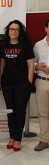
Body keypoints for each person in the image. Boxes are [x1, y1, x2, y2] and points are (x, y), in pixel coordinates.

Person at [0, 20, 34, 152]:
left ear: (20, 32)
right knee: (10, 111)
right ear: (8, 30)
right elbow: (2, 64)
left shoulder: (25, 45)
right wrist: (0, 80)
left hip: (22, 84)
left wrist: (29, 82)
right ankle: (12, 137)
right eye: (11, 29)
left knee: (20, 111)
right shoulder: (3, 45)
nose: (13, 32)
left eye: (16, 29)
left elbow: (31, 64)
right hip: (7, 83)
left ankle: (18, 139)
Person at [33, 18, 49, 151]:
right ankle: (44, 140)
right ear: (46, 28)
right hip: (42, 83)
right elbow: (32, 63)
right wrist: (37, 66)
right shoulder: (38, 45)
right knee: (43, 113)